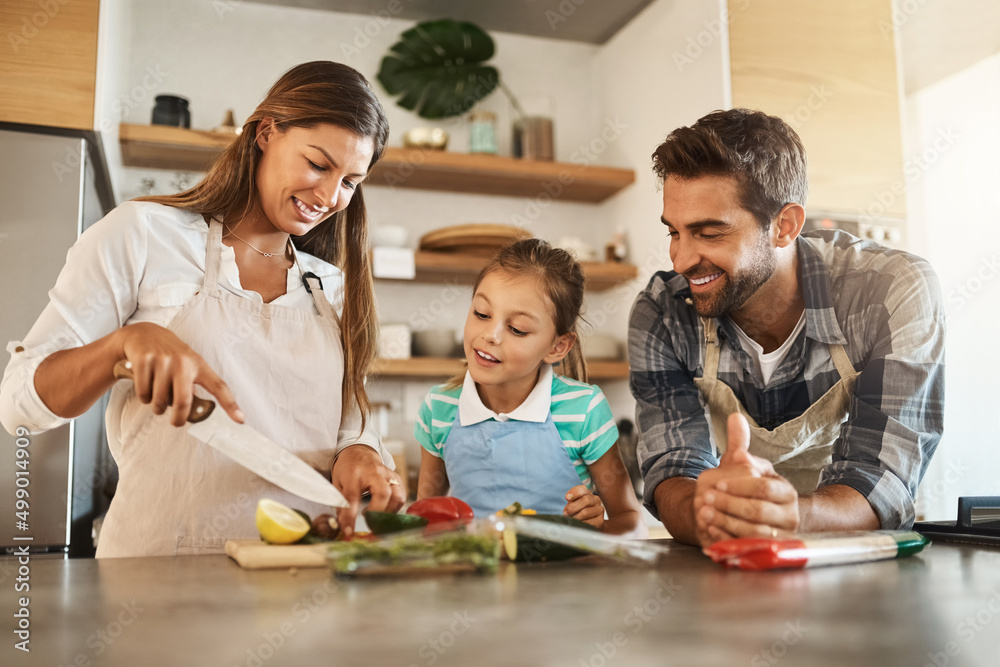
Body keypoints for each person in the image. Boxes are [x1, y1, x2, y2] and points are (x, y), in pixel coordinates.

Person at [0, 61, 405, 557]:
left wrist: (362, 454)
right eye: (318, 164)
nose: (328, 196)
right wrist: (121, 346)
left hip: (301, 570)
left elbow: (350, 427)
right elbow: (18, 406)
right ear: (266, 132)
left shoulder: (334, 289)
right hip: (155, 574)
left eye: (349, 182)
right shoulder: (145, 234)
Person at [628, 108, 945, 547]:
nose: (680, 261)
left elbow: (881, 481)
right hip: (728, 562)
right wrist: (708, 512)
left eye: (709, 233)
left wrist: (788, 514)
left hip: (852, 567)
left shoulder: (890, 290)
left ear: (784, 226)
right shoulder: (662, 312)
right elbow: (673, 471)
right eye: (675, 232)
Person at [415, 239, 646, 536]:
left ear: (557, 346)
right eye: (482, 314)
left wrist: (597, 527)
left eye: (517, 329)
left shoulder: (583, 410)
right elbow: (426, 519)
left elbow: (631, 522)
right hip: (472, 577)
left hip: (565, 580)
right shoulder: (439, 408)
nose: (490, 335)